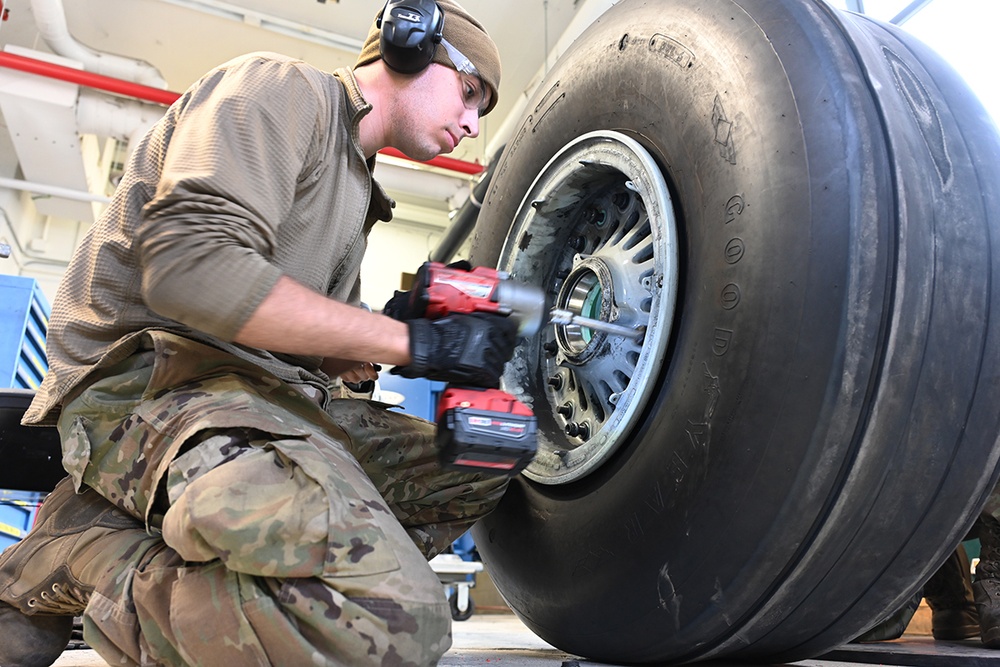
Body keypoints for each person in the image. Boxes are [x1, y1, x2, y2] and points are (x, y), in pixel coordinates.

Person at [0, 1, 514, 665]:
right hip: (150, 386)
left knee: (481, 461)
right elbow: (193, 268)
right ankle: (87, 553)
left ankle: (256, 577)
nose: (473, 124)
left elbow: (302, 347)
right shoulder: (279, 88)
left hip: (264, 397)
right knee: (395, 630)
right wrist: (410, 342)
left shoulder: (357, 189)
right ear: (408, 42)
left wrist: (396, 324)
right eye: (471, 93)